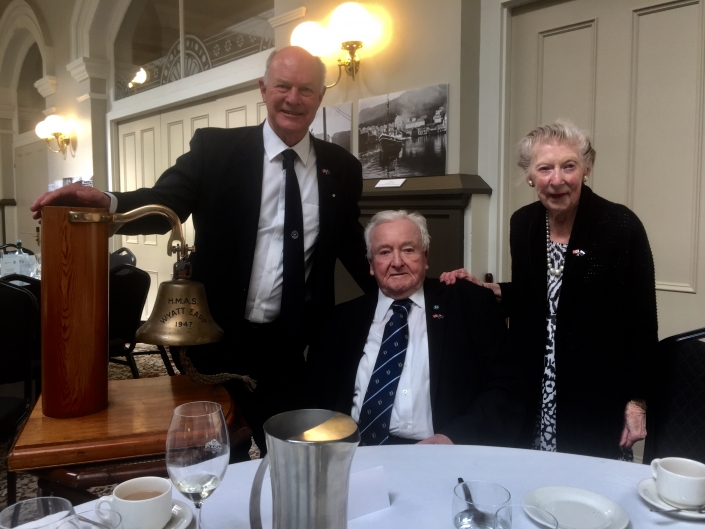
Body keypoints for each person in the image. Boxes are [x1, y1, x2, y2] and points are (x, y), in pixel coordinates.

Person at [30, 46, 376, 456]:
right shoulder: (216, 151)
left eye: (305, 90)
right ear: (263, 89)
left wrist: (422, 285)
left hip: (296, 346)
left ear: (320, 98)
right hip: (219, 338)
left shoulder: (341, 167)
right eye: (283, 86)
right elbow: (164, 205)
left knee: (292, 453)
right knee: (213, 450)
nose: (293, 98)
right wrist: (103, 201)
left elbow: (354, 246)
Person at [441, 121, 657, 459]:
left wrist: (637, 401)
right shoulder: (523, 223)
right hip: (531, 383)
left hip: (595, 389)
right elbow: (538, 298)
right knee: (534, 479)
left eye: (568, 166)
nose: (557, 180)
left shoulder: (620, 226)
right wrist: (488, 290)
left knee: (586, 485)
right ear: (530, 175)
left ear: (586, 169)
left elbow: (642, 324)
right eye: (545, 168)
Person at [310, 210, 524, 446]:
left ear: (425, 256)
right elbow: (318, 401)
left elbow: (506, 387)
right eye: (384, 252)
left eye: (408, 250)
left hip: (440, 452)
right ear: (371, 265)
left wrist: (453, 438)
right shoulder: (341, 321)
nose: (397, 262)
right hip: (354, 454)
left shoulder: (468, 305)